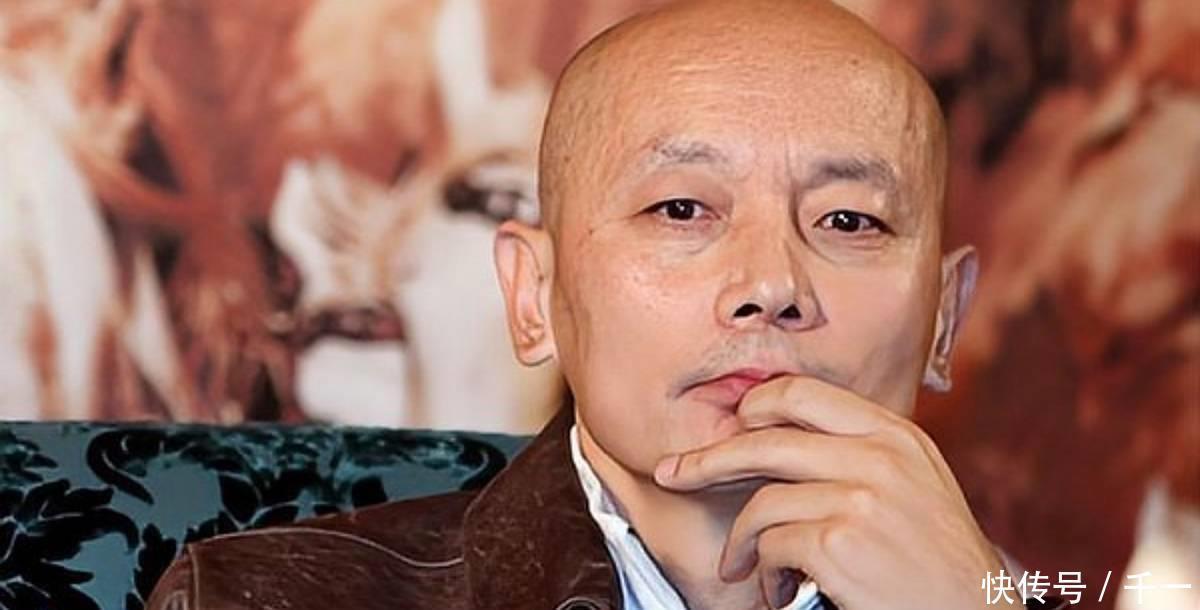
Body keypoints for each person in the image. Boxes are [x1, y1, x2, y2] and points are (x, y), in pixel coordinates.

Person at [146, 1, 1067, 608]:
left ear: (942, 321)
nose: (772, 287)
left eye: (848, 220)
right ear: (535, 296)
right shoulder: (266, 599)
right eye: (682, 209)